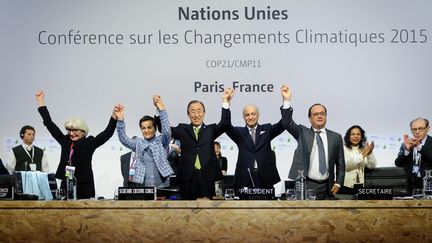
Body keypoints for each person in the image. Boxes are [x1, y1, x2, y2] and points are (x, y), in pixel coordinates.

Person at [35, 90, 119, 199]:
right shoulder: (65, 140)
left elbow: (107, 133)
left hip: (84, 185)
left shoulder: (89, 142)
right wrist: (41, 102)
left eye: (75, 130)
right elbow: (50, 124)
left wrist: (114, 116)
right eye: (69, 130)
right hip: (66, 183)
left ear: (83, 131)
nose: (71, 133)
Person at [283, 86, 345, 199]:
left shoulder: (336, 137)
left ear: (326, 116)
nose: (320, 116)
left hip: (328, 186)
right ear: (310, 118)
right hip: (306, 184)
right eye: (316, 114)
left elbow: (341, 164)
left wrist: (338, 182)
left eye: (322, 113)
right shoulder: (302, 132)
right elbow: (287, 123)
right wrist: (287, 101)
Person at [171, 88, 233, 200]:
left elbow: (225, 123)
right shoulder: (182, 129)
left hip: (207, 176)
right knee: (186, 211)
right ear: (188, 114)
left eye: (199, 111)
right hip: (187, 177)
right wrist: (159, 110)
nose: (196, 114)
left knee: (207, 211)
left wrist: (225, 101)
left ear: (204, 113)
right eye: (193, 111)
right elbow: (164, 130)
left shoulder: (210, 129)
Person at [225, 86, 290, 189]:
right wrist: (226, 103)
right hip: (245, 177)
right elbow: (226, 125)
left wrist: (286, 101)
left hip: (265, 177)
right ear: (244, 117)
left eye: (253, 114)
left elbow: (284, 124)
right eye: (247, 115)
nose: (250, 117)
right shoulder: (239, 132)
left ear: (258, 115)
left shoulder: (267, 129)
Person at [116, 95, 174, 188]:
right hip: (143, 185)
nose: (146, 130)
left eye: (149, 127)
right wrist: (120, 121)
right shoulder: (138, 143)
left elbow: (167, 131)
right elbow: (124, 139)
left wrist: (162, 109)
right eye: (143, 128)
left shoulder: (161, 141)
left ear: (155, 129)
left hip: (163, 185)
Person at [395, 118, 432, 194]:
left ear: (427, 129)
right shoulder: (406, 144)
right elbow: (398, 163)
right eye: (414, 129)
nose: (417, 132)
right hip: (411, 185)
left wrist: (419, 147)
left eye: (420, 129)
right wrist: (407, 150)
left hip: (429, 184)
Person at [340, 125, 377, 195]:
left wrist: (369, 153)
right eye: (353, 134)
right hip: (345, 186)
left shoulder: (363, 149)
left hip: (360, 185)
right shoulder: (343, 148)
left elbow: (372, 165)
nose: (355, 136)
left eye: (358, 134)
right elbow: (345, 164)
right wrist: (362, 155)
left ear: (361, 137)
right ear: (348, 136)